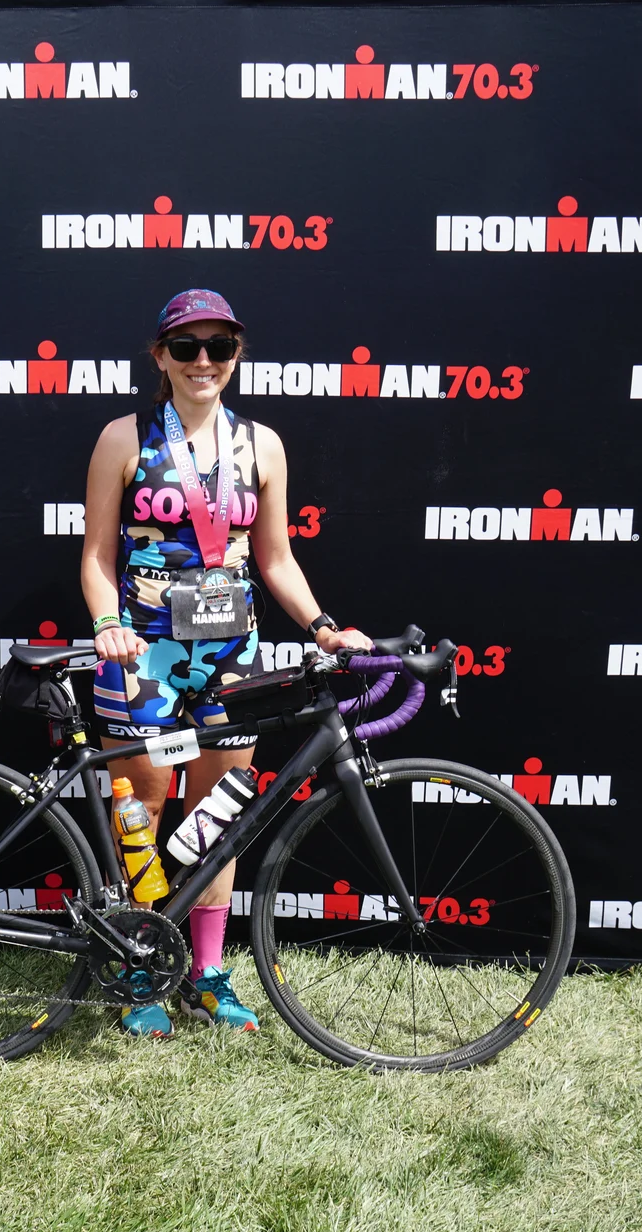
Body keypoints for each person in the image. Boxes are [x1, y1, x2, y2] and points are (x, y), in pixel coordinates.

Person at [81, 288, 371, 1038]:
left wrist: (323, 626)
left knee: (218, 819)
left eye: (219, 346)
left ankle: (206, 972)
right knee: (140, 816)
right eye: (186, 346)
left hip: (233, 659)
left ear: (237, 354)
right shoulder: (123, 437)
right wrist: (108, 624)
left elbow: (275, 558)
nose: (202, 360)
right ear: (160, 357)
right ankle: (141, 966)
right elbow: (97, 557)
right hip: (142, 654)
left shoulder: (262, 444)